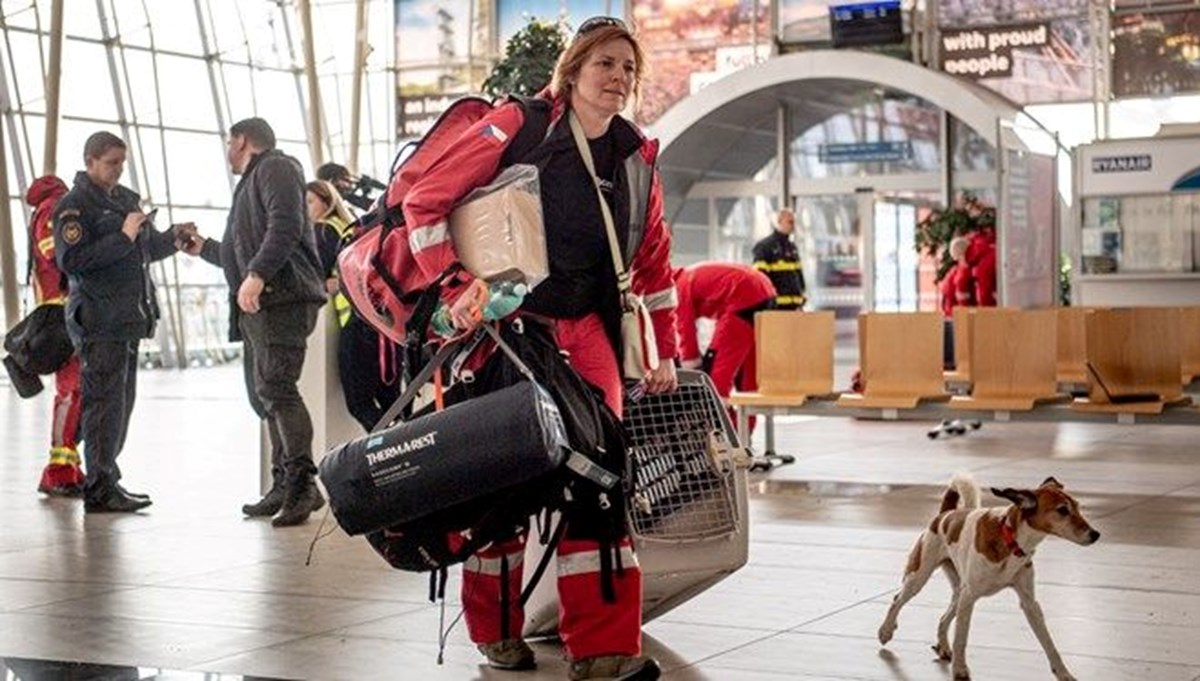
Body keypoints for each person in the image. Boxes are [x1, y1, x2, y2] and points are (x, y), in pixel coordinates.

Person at [399, 16, 677, 680]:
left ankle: (605, 648)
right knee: (507, 478)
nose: (618, 79)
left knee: (601, 473)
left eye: (628, 68)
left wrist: (664, 351)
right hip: (509, 329)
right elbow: (427, 203)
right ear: (572, 70)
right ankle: (495, 631)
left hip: (591, 332)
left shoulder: (636, 158)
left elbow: (658, 268)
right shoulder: (520, 127)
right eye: (605, 64)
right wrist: (459, 287)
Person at [180, 118, 328, 527]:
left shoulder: (277, 168)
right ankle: (283, 484)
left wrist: (259, 274)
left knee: (277, 388)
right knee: (265, 394)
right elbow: (240, 248)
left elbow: (284, 226)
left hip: (283, 298)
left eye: (230, 141)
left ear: (242, 140)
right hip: (265, 303)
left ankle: (303, 485)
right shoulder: (254, 180)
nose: (228, 149)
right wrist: (205, 249)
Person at [53, 132, 194, 513]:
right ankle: (99, 487)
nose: (118, 169)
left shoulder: (124, 200)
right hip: (99, 320)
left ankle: (107, 476)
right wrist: (123, 234)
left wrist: (171, 239)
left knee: (121, 404)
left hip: (129, 318)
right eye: (111, 162)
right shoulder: (73, 207)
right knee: (103, 404)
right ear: (90, 161)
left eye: (122, 162)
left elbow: (142, 251)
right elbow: (72, 260)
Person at [305, 180, 399, 432]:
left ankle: (389, 451)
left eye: (310, 202)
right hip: (383, 322)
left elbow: (317, 279)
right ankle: (405, 448)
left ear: (327, 202)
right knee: (392, 399)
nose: (305, 209)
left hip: (356, 323)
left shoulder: (322, 231)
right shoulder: (349, 226)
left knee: (359, 403)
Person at [25, 175, 85, 497]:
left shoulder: (44, 209)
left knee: (74, 392)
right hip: (62, 311)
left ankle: (69, 466)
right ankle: (58, 470)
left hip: (57, 308)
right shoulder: (54, 209)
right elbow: (56, 253)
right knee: (70, 390)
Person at [674, 262, 776, 431]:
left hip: (742, 297)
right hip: (764, 292)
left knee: (715, 377)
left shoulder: (678, 287)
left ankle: (728, 436)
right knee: (747, 377)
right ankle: (744, 435)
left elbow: (684, 328)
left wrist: (691, 364)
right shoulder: (691, 274)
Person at [752, 208, 807, 310]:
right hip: (776, 308)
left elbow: (799, 276)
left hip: (795, 307)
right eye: (790, 222)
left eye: (794, 222)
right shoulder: (764, 247)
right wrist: (769, 303)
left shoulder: (792, 247)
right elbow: (761, 279)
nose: (793, 226)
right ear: (779, 221)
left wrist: (801, 296)